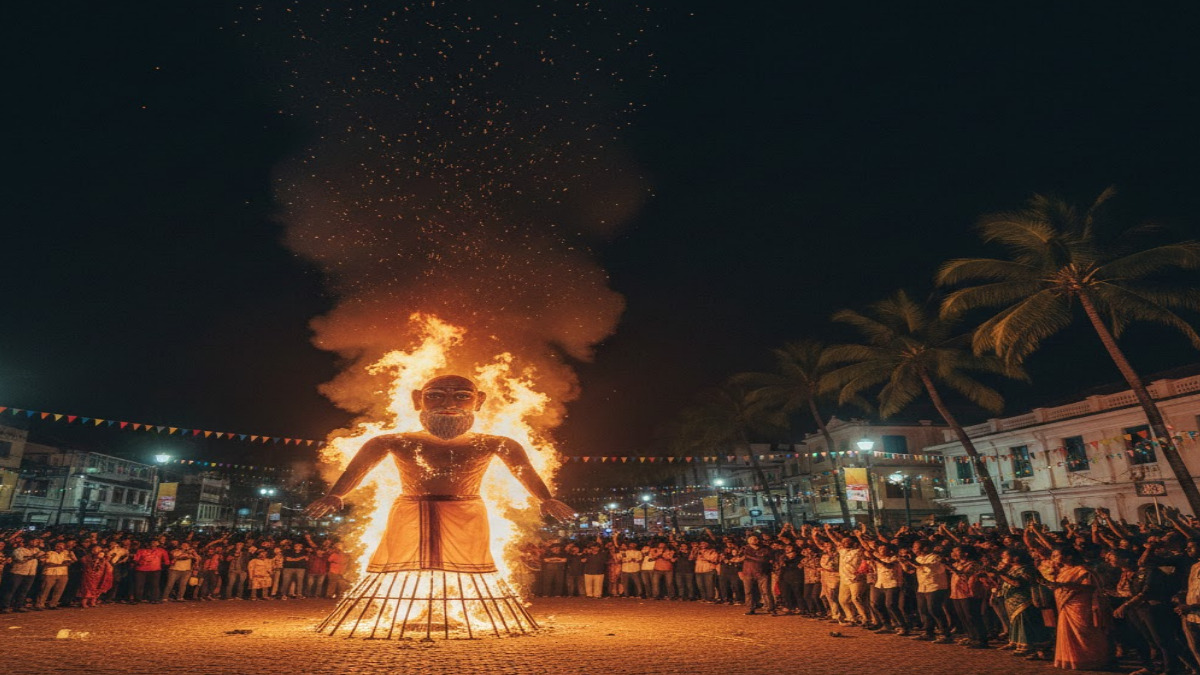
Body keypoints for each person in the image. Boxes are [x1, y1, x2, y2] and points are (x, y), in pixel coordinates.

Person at [1046, 546, 1110, 670]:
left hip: (1080, 604)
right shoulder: (1062, 570)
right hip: (1066, 604)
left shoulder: (1082, 570)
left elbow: (1091, 587)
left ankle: (1090, 659)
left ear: (1069, 556)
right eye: (1053, 556)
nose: (1053, 558)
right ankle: (1071, 659)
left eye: (1056, 555)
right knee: (1067, 632)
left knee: (1083, 632)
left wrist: (1067, 586)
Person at [740, 534, 776, 615]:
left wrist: (748, 557)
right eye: (751, 539)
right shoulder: (744, 549)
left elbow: (764, 559)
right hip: (748, 573)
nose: (754, 540)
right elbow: (739, 559)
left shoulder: (765, 549)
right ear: (748, 541)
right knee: (749, 592)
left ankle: (771, 609)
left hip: (763, 573)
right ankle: (750, 608)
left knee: (766, 591)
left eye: (755, 539)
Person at [35, 541, 74, 610]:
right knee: (45, 589)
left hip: (63, 573)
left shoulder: (65, 553)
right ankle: (40, 604)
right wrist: (61, 564)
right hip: (49, 573)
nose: (60, 548)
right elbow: (46, 563)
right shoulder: (49, 553)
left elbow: (70, 562)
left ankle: (53, 604)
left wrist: (56, 564)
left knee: (59, 590)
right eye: (58, 546)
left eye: (62, 546)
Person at [131, 539, 170, 604]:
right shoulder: (141, 551)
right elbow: (136, 559)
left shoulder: (162, 551)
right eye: (152, 543)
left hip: (155, 570)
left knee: (154, 585)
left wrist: (163, 565)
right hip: (141, 570)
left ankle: (154, 599)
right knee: (139, 585)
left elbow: (166, 561)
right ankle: (137, 599)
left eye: (155, 543)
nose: (153, 544)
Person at [78, 544, 114, 609]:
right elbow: (84, 562)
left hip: (98, 576)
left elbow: (108, 566)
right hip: (89, 575)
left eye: (99, 549)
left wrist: (105, 559)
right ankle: (84, 603)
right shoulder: (87, 557)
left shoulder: (103, 559)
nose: (99, 550)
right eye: (97, 549)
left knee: (97, 588)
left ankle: (92, 602)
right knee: (88, 589)